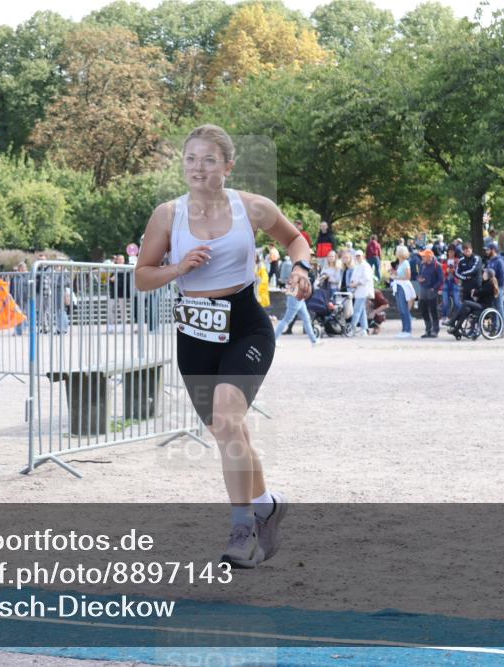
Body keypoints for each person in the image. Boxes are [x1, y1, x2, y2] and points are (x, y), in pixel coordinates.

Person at [135, 124, 311, 568]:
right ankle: (267, 502)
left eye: (209, 159)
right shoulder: (166, 215)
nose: (198, 167)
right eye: (191, 159)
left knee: (229, 420)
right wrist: (178, 268)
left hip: (245, 325)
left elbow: (295, 238)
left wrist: (302, 269)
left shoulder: (252, 208)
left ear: (228, 167)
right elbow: (142, 277)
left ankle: (242, 528)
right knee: (228, 432)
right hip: (194, 332)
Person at [447, 268, 499, 337]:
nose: (483, 274)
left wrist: (474, 292)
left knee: (466, 302)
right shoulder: (485, 283)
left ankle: (452, 321)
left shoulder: (489, 284)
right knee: (466, 309)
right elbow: (480, 293)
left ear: (488, 275)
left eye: (484, 273)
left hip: (485, 306)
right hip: (480, 304)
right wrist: (475, 293)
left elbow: (482, 292)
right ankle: (456, 329)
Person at [416, 249, 443, 338]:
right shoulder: (422, 265)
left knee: (433, 310)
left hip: (431, 291)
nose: (422, 257)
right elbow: (419, 275)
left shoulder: (437, 265)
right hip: (423, 289)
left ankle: (435, 330)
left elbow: (441, 279)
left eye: (423, 256)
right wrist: (419, 279)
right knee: (423, 310)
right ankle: (428, 330)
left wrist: (434, 288)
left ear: (429, 257)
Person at [392, 245, 416, 339]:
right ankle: (404, 329)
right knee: (401, 309)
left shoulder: (406, 263)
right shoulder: (400, 263)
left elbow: (408, 277)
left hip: (403, 286)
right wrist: (394, 274)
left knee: (404, 308)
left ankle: (408, 330)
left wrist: (396, 277)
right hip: (398, 286)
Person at [485, 241, 504, 333]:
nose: (486, 252)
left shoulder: (499, 261)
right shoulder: (490, 261)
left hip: (499, 288)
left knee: (499, 308)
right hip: (492, 287)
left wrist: (497, 287)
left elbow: (503, 276)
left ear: (493, 250)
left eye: (488, 250)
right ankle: (495, 328)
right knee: (494, 308)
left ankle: (501, 330)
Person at [347, 249, 372, 336]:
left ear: (363, 256)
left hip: (363, 291)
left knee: (357, 310)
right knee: (361, 311)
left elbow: (367, 278)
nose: (357, 257)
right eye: (356, 256)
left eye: (359, 256)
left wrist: (356, 283)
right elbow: (354, 277)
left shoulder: (365, 266)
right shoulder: (357, 266)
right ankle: (364, 329)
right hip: (357, 291)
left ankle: (352, 329)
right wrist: (352, 283)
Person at [441, 245, 461, 322]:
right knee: (445, 301)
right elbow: (441, 272)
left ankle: (459, 316)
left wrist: (454, 271)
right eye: (449, 252)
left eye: (452, 252)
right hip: (446, 281)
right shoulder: (444, 260)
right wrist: (446, 271)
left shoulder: (457, 260)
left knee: (457, 301)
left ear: (455, 252)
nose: (451, 253)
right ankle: (444, 316)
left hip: (455, 281)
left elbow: (459, 271)